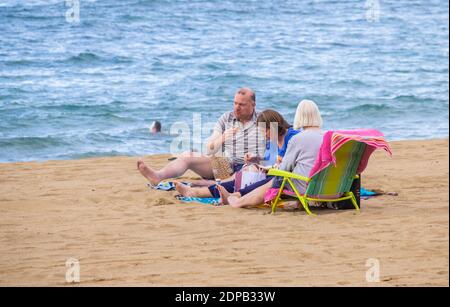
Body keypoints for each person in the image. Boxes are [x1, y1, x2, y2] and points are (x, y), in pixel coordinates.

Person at [137, 88, 265, 185]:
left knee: (246, 171)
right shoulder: (227, 118)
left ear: (253, 105)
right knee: (188, 155)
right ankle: (158, 176)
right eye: (235, 103)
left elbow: (279, 144)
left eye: (242, 105)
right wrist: (223, 138)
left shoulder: (264, 119)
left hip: (251, 168)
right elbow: (209, 149)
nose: (237, 108)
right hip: (226, 166)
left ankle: (216, 185)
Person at [174, 109, 301, 201]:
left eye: (265, 131)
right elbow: (270, 160)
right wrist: (256, 159)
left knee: (252, 183)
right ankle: (197, 192)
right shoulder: (273, 140)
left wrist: (272, 166)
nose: (264, 135)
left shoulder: (292, 137)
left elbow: (291, 162)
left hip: (287, 178)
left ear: (274, 125)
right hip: (276, 174)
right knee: (245, 175)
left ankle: (200, 192)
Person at [220, 99, 325, 208]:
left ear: (298, 117)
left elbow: (283, 169)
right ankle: (237, 195)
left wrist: (271, 169)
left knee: (277, 179)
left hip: (306, 187)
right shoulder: (328, 136)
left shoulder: (297, 139)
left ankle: (239, 201)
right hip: (326, 188)